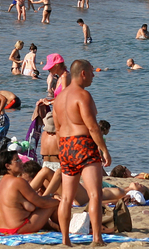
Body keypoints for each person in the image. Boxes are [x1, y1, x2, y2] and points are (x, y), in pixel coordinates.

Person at [53, 59, 110, 246]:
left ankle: (65, 240)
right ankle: (97, 239)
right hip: (83, 144)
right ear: (83, 73)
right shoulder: (83, 95)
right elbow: (93, 127)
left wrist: (63, 150)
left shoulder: (58, 99)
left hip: (65, 145)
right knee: (95, 194)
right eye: (92, 72)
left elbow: (58, 128)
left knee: (67, 198)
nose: (94, 76)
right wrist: (104, 149)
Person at [0, 150, 59, 235]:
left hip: (1, 228)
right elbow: (42, 203)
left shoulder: (2, 183)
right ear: (8, 166)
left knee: (50, 203)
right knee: (54, 204)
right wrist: (59, 201)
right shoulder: (18, 181)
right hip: (18, 228)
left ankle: (57, 227)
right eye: (17, 160)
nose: (21, 162)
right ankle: (63, 228)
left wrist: (51, 195)